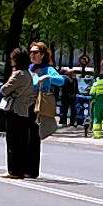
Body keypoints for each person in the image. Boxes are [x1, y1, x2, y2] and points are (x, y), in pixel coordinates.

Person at [26, 41, 63, 178]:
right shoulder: (29, 68)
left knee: (34, 137)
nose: (32, 54)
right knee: (25, 136)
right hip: (26, 104)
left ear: (42, 55)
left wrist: (48, 77)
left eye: (36, 52)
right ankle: (23, 167)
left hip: (38, 105)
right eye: (31, 52)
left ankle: (32, 170)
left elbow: (61, 80)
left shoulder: (48, 69)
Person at [0, 47, 34, 179]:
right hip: (24, 110)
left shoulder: (18, 74)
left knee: (12, 141)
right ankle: (20, 169)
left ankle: (12, 170)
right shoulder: (28, 74)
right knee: (22, 141)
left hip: (14, 109)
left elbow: (4, 89)